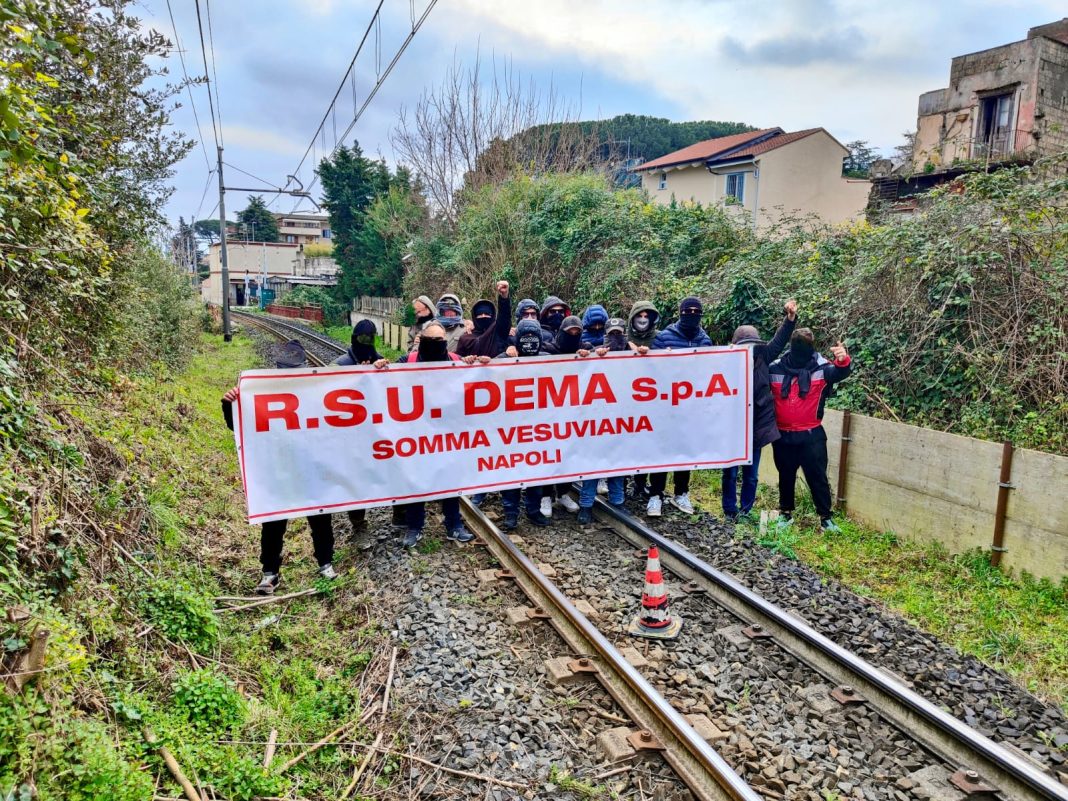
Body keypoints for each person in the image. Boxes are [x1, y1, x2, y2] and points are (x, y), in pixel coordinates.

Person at [221, 340, 338, 595]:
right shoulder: (265, 391)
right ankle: (270, 572)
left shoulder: (318, 390)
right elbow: (239, 428)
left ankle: (326, 563)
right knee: (273, 520)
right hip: (278, 466)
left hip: (310, 465)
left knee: (320, 516)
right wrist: (229, 404)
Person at [373, 322, 473, 547]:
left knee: (450, 481)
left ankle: (454, 525)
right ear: (422, 341)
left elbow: (478, 380)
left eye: (441, 340)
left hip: (447, 435)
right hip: (416, 436)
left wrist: (479, 365)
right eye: (432, 341)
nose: (437, 345)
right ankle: (415, 527)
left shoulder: (456, 361)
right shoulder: (406, 362)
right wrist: (378, 368)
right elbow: (383, 380)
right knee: (416, 482)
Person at [768, 329, 852, 532]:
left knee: (818, 477)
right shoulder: (775, 369)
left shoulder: (821, 369)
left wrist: (843, 359)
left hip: (811, 435)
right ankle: (785, 514)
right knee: (785, 476)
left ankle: (826, 518)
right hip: (783, 435)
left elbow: (839, 372)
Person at [721, 300, 798, 522]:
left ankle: (745, 510)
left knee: (751, 475)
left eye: (752, 344)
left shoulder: (763, 357)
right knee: (730, 472)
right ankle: (729, 510)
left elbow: (779, 341)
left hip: (756, 426)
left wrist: (790, 319)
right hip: (732, 426)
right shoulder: (723, 363)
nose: (749, 348)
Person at [646, 297, 713, 516]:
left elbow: (711, 371)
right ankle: (655, 495)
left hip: (691, 408)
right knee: (661, 451)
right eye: (688, 311)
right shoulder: (665, 337)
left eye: (696, 311)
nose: (692, 314)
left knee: (685, 450)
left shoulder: (705, 341)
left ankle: (681, 493)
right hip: (665, 406)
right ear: (680, 313)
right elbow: (649, 370)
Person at [494, 318, 552, 530]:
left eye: (533, 337)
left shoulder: (549, 360)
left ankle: (533, 510)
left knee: (536, 474)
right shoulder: (503, 358)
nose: (530, 342)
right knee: (510, 475)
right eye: (525, 338)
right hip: (510, 431)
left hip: (538, 430)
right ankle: (510, 513)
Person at [331, 319, 384, 534]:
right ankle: (359, 525)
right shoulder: (339, 365)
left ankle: (400, 515)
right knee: (356, 479)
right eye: (362, 338)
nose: (366, 343)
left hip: (379, 432)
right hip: (351, 435)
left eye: (370, 339)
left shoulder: (381, 361)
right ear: (354, 339)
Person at [576, 318, 629, 524]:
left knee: (618, 464)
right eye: (612, 334)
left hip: (621, 420)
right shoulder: (596, 353)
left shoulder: (632, 354)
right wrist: (588, 355)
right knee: (593, 465)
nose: (615, 338)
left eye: (619, 333)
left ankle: (618, 502)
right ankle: (586, 505)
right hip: (596, 420)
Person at [626, 301, 660, 499]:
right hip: (627, 401)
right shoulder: (623, 337)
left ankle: (646, 486)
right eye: (640, 315)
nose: (643, 319)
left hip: (652, 401)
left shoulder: (659, 338)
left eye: (648, 316)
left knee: (649, 444)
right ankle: (628, 485)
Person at [457, 280, 512, 358]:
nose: (483, 316)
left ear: (492, 315)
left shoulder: (499, 332)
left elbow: (505, 316)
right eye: (480, 314)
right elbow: (457, 361)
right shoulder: (465, 338)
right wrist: (464, 359)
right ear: (474, 316)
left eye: (487, 314)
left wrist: (504, 296)